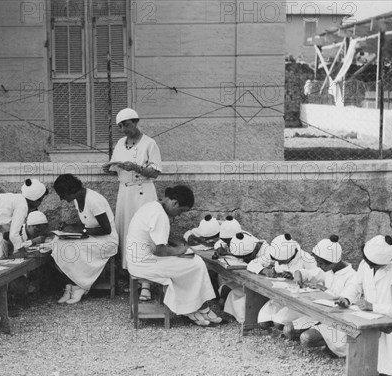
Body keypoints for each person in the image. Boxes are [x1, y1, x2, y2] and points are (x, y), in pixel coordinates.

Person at [126, 185, 221, 327]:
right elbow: (159, 251)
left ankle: (197, 308)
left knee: (191, 264)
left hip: (136, 259)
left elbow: (156, 242)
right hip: (145, 263)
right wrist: (178, 251)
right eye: (181, 211)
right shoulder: (160, 215)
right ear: (174, 203)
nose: (179, 215)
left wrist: (176, 249)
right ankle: (195, 308)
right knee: (196, 264)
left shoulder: (152, 205)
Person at [335, 235, 392, 376]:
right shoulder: (365, 264)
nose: (371, 266)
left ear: (385, 262)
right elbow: (356, 284)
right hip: (370, 320)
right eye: (369, 263)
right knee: (372, 369)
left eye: (375, 265)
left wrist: (374, 306)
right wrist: (346, 298)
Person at [102, 108, 161, 299]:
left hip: (143, 193)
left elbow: (155, 172)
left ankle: (146, 284)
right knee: (127, 234)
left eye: (126, 125)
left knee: (143, 234)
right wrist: (110, 168)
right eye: (120, 126)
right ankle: (133, 278)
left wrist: (136, 167)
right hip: (125, 193)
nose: (124, 129)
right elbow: (117, 168)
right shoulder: (120, 143)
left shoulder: (149, 143)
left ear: (136, 122)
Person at [52, 174, 118, 304]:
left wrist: (81, 231)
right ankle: (69, 285)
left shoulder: (94, 200)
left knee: (71, 248)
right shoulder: (78, 199)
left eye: (63, 195)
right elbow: (87, 224)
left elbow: (106, 229)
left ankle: (81, 286)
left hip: (106, 241)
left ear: (71, 191)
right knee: (57, 243)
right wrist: (68, 227)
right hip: (93, 236)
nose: (62, 199)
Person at [288, 236, 356, 354]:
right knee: (288, 330)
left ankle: (331, 347)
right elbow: (308, 273)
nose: (318, 266)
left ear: (333, 262)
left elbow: (344, 302)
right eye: (317, 262)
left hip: (340, 322)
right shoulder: (328, 270)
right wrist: (298, 273)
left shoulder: (353, 276)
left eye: (321, 263)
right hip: (321, 314)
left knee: (306, 339)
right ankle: (316, 331)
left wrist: (324, 289)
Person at [254, 234, 318, 329]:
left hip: (299, 302)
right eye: (276, 261)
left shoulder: (307, 259)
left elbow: (316, 283)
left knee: (279, 323)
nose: (278, 263)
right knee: (263, 321)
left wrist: (294, 278)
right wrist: (265, 271)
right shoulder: (278, 252)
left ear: (290, 257)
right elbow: (253, 264)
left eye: (281, 261)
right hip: (280, 296)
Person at [219, 231, 270, 323]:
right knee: (233, 293)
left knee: (242, 300)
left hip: (265, 285)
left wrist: (265, 270)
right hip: (252, 281)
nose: (244, 259)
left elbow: (253, 264)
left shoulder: (267, 251)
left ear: (253, 251)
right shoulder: (247, 242)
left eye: (246, 257)